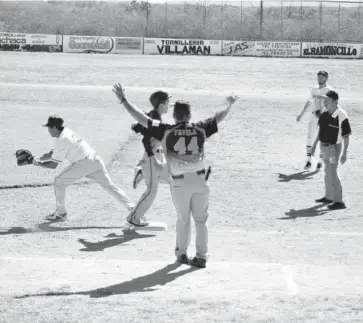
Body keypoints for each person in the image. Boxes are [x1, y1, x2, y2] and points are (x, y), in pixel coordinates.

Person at [113, 83, 239, 268]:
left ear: (174, 116)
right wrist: (229, 103)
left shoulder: (165, 130)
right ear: (189, 115)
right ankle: (201, 257)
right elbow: (218, 117)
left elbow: (142, 118)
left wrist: (123, 100)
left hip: (179, 184)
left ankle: (181, 254)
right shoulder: (200, 128)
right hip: (200, 181)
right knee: (201, 221)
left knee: (183, 220)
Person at [32, 115, 135, 220]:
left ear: (54, 127)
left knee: (59, 182)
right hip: (96, 160)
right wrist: (37, 158)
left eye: (49, 128)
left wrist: (35, 163)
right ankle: (133, 208)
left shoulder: (62, 139)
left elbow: (53, 165)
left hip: (84, 164)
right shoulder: (66, 132)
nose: (48, 130)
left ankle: (61, 213)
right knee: (110, 186)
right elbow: (53, 152)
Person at [127, 90, 171, 226]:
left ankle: (141, 171)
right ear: (162, 104)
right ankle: (133, 218)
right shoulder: (155, 118)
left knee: (170, 177)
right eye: (167, 102)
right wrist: (152, 159)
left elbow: (137, 124)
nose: (169, 104)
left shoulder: (153, 115)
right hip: (152, 157)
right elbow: (146, 140)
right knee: (152, 190)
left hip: (156, 155)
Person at [311, 90, 352, 210]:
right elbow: (321, 131)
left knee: (333, 172)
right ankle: (329, 197)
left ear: (335, 102)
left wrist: (344, 153)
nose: (325, 102)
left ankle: (339, 202)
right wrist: (314, 145)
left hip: (334, 149)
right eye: (324, 100)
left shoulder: (341, 116)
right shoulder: (325, 113)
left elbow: (346, 136)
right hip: (324, 147)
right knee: (327, 172)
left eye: (327, 100)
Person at [296, 70, 333, 170]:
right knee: (310, 138)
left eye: (322, 76)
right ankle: (308, 161)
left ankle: (320, 162)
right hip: (313, 116)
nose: (320, 78)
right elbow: (309, 103)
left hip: (324, 118)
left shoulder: (329, 90)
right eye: (319, 76)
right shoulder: (313, 89)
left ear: (326, 78)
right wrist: (301, 115)